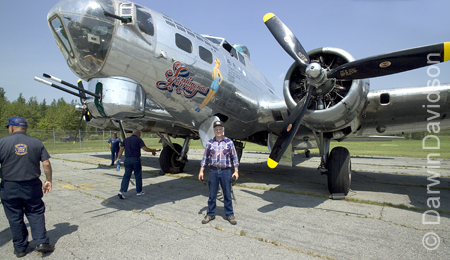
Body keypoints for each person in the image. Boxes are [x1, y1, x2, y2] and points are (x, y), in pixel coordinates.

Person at [0, 116, 54, 257]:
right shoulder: (36, 143)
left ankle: (20, 248)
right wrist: (49, 180)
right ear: (25, 128)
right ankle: (42, 242)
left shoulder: (2, 143)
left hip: (9, 185)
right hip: (31, 185)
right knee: (35, 212)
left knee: (14, 217)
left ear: (11, 128)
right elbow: (46, 163)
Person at [198, 121, 239, 225]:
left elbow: (234, 157)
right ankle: (210, 214)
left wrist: (236, 171)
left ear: (223, 130)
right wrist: (201, 170)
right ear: (214, 131)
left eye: (220, 129)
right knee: (212, 195)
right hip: (213, 171)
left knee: (227, 195)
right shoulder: (210, 143)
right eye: (216, 129)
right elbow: (205, 158)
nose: (218, 131)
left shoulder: (229, 142)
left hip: (226, 172)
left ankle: (230, 214)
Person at [115, 130, 160, 199]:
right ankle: (139, 191)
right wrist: (152, 150)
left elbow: (121, 150)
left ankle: (121, 191)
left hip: (127, 160)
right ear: (138, 134)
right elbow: (144, 148)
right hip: (135, 160)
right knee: (138, 175)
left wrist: (118, 158)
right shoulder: (138, 140)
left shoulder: (126, 140)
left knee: (126, 176)